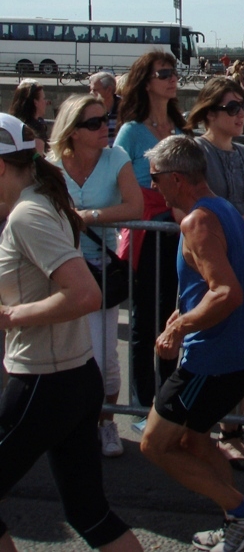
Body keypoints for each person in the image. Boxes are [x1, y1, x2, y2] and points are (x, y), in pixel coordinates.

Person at [0, 113, 142, 552]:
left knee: (87, 510)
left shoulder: (29, 214)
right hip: (72, 378)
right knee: (87, 512)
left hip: (45, 380)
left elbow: (83, 294)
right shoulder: (41, 201)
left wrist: (10, 317)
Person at [138, 136, 244, 552]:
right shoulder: (228, 211)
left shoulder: (197, 221)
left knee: (155, 445)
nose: (154, 186)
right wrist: (189, 310)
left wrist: (180, 328)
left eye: (156, 178)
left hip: (210, 359)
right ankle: (237, 521)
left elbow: (226, 293)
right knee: (196, 442)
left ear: (177, 178)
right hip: (241, 354)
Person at [186, 77, 244, 471]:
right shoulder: (196, 154)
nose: (241, 114)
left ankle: (232, 430)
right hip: (213, 262)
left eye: (242, 106)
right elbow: (190, 214)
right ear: (210, 113)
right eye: (232, 108)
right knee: (211, 344)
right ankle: (204, 430)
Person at [50, 94, 144, 457]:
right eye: (93, 123)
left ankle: (106, 423)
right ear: (72, 132)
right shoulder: (52, 166)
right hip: (60, 269)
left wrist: (86, 217)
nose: (104, 126)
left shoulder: (115, 158)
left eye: (105, 118)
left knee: (104, 357)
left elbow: (134, 206)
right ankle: (70, 424)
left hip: (101, 269)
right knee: (62, 354)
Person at [113, 51, 187, 422]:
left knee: (171, 319)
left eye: (174, 72)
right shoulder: (130, 131)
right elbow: (121, 183)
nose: (173, 78)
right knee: (146, 321)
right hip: (148, 232)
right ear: (147, 82)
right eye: (165, 73)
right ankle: (144, 404)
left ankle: (167, 400)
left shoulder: (177, 126)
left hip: (177, 232)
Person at [9, 78, 50, 154]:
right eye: (43, 99)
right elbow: (39, 162)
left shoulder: (11, 124)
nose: (46, 102)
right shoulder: (34, 131)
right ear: (35, 102)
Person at [89, 71, 121, 145]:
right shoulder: (89, 109)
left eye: (94, 90)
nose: (91, 93)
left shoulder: (125, 107)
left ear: (108, 90)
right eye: (90, 90)